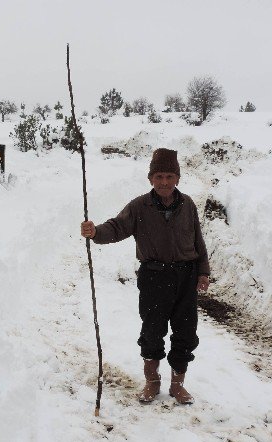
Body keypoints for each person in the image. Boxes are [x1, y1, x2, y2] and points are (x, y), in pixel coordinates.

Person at [80, 148, 210, 405]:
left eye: (170, 176)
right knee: (152, 332)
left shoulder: (188, 206)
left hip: (186, 277)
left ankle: (177, 385)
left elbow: (198, 241)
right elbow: (117, 227)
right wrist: (95, 232)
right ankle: (152, 382)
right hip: (154, 277)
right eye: (159, 176)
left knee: (185, 332)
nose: (164, 182)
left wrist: (203, 271)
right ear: (151, 178)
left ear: (178, 178)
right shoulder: (140, 206)